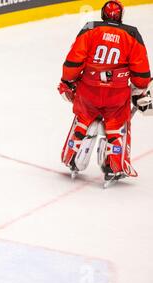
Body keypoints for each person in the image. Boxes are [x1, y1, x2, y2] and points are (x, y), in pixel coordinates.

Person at [58, 0, 151, 185]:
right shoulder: (132, 33)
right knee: (117, 125)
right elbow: (141, 72)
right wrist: (140, 89)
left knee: (83, 117)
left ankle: (72, 156)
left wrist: (68, 80)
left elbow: (74, 60)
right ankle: (114, 166)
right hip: (116, 95)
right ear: (121, 16)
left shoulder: (90, 28)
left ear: (103, 14)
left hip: (89, 90)